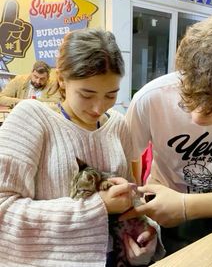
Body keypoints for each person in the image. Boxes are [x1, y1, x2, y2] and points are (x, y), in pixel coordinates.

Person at [0, 28, 164, 266]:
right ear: (62, 80)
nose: (98, 107)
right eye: (86, 95)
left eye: (111, 95)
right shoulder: (32, 118)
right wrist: (97, 206)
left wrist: (146, 231)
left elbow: (132, 195)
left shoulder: (117, 123)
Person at [122, 10, 212, 255]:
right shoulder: (150, 98)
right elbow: (128, 162)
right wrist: (142, 218)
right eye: (192, 96)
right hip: (167, 214)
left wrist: (186, 206)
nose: (197, 116)